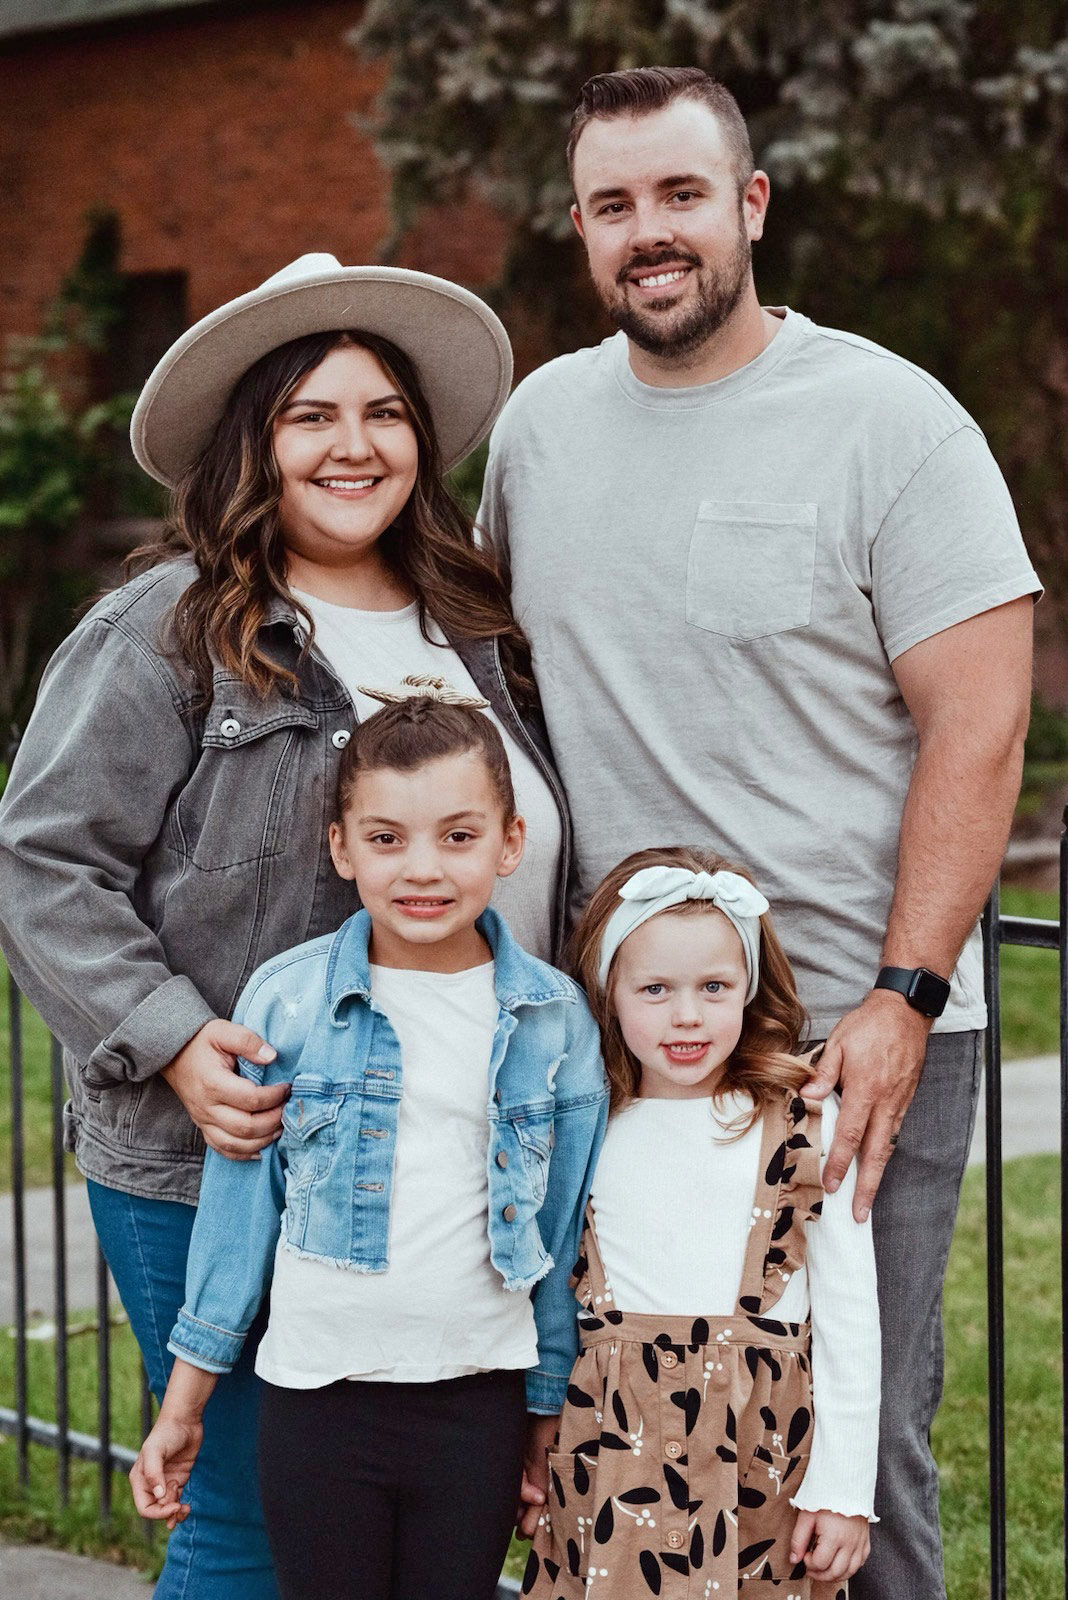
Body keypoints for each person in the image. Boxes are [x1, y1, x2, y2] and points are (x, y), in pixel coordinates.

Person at [478, 67, 1040, 1600]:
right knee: (615, 1419)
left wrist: (907, 994)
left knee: (844, 1446)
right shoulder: (537, 429)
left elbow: (981, 724)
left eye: (678, 195)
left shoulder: (889, 420)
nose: (647, 233)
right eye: (612, 205)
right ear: (583, 230)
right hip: (617, 1036)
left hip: (848, 1037)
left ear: (749, 206)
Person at [0, 254, 573, 1597]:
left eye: (380, 411)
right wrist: (178, 1040)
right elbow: (41, 860)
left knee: (425, 1534)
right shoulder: (177, 628)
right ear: (252, 443)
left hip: (463, 1176)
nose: (352, 443)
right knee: (253, 1526)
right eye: (310, 414)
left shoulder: (476, 626)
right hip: (227, 1160)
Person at [128, 686, 608, 1600]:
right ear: (343, 847)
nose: (421, 868)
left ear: (511, 843)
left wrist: (544, 1408)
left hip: (478, 1397)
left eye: (457, 837)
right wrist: (184, 1402)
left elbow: (559, 1233)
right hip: (317, 1401)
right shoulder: (290, 1001)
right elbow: (239, 1217)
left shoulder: (551, 1019)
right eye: (387, 838)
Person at [520, 846, 879, 1600]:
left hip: (765, 1457)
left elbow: (850, 1318)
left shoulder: (801, 1121)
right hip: (612, 1452)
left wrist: (842, 1490)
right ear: (608, 991)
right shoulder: (588, 1122)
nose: (687, 1014)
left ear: (749, 986)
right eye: (655, 988)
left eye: (714, 986)